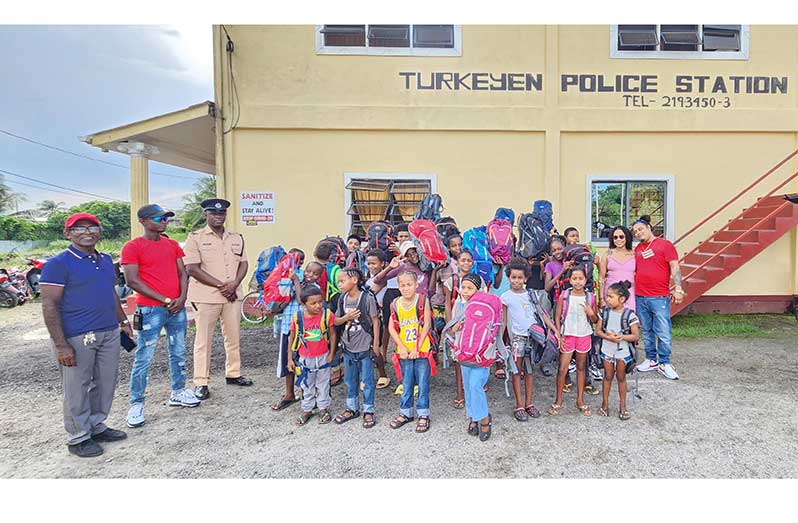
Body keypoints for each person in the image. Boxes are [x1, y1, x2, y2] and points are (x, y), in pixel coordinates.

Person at [40, 212, 132, 457]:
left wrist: (122, 321)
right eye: (79, 228)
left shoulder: (104, 260)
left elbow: (110, 293)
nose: (87, 232)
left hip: (108, 331)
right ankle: (78, 437)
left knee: (105, 382)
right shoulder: (58, 264)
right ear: (67, 233)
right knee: (77, 387)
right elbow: (49, 305)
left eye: (93, 227)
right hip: (77, 335)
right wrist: (61, 344)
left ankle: (97, 425)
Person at [121, 204, 200, 428]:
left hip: (176, 308)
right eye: (159, 218)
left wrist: (182, 298)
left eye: (166, 218)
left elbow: (182, 273)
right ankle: (136, 404)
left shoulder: (172, 245)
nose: (164, 221)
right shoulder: (132, 247)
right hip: (150, 310)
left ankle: (178, 391)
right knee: (144, 356)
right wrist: (166, 300)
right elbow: (132, 280)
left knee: (178, 351)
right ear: (144, 221)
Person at [183, 198, 252, 401]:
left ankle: (233, 373)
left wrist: (234, 284)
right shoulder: (195, 238)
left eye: (221, 214)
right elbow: (192, 268)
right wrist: (222, 286)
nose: (218, 216)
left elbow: (244, 264)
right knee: (203, 340)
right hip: (206, 296)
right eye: (213, 213)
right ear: (206, 215)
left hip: (232, 295)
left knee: (233, 337)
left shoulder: (236, 237)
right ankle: (201, 381)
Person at [501, 257, 558, 422]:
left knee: (530, 371)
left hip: (533, 338)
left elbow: (542, 315)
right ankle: (519, 404)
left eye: (520, 277)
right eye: (513, 277)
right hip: (517, 339)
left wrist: (555, 331)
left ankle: (529, 403)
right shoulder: (505, 297)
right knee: (516, 370)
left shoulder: (531, 295)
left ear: (526, 277)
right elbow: (504, 322)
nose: (517, 281)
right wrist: (499, 342)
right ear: (509, 278)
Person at [631, 214, 683, 380]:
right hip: (640, 295)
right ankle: (651, 359)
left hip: (659, 296)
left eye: (640, 229)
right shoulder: (638, 249)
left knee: (663, 330)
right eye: (634, 232)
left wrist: (678, 287)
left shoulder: (664, 245)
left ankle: (665, 362)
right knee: (646, 330)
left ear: (649, 228)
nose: (637, 233)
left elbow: (675, 267)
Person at [270, 255, 324, 412]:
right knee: (289, 362)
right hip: (288, 327)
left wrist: (295, 281)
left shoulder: (314, 288)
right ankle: (289, 394)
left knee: (304, 364)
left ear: (319, 277)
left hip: (306, 331)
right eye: (308, 271)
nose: (309, 275)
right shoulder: (297, 281)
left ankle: (307, 396)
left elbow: (302, 300)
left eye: (314, 274)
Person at [448, 272, 493, 441]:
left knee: (476, 385)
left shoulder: (486, 306)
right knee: (467, 385)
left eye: (470, 288)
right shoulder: (459, 305)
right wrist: (460, 323)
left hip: (481, 352)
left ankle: (485, 419)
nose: (465, 291)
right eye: (463, 287)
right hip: (464, 351)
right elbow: (452, 330)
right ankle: (474, 416)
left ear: (478, 290)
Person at [333, 268, 380, 428]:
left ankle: (369, 410)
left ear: (354, 280)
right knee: (350, 380)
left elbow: (375, 321)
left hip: (365, 346)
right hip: (348, 346)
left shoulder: (367, 298)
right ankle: (352, 408)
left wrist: (375, 344)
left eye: (342, 281)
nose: (339, 284)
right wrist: (347, 317)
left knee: (367, 380)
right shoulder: (342, 299)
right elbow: (336, 321)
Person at [388, 271, 434, 433]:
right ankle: (405, 412)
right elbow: (391, 328)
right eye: (402, 285)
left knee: (422, 382)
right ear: (398, 286)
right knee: (406, 382)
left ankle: (423, 413)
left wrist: (417, 346)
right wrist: (400, 346)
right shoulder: (395, 304)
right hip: (404, 351)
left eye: (409, 285)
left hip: (421, 349)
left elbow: (426, 324)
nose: (406, 288)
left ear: (416, 285)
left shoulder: (422, 300)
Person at [549, 267, 598, 416]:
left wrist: (591, 313)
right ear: (570, 280)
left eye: (580, 279)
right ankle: (558, 400)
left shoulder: (590, 297)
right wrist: (559, 334)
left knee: (581, 367)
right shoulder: (564, 296)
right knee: (563, 368)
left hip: (584, 335)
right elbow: (557, 316)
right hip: (568, 335)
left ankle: (580, 400)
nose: (577, 282)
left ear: (585, 280)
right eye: (574, 278)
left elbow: (595, 320)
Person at [288, 286, 337, 425]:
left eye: (320, 302)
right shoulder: (297, 318)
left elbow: (333, 334)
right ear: (303, 304)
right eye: (313, 303)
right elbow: (291, 338)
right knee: (306, 385)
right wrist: (290, 359)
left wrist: (331, 353)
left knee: (323, 384)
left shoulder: (327, 315)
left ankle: (323, 408)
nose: (318, 306)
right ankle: (307, 409)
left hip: (323, 356)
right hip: (305, 359)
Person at [443, 249, 485, 407]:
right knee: (458, 360)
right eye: (463, 260)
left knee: (475, 357)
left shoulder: (479, 280)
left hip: (475, 327)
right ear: (457, 262)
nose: (466, 263)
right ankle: (460, 393)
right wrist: (450, 324)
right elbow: (447, 304)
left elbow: (484, 303)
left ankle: (476, 387)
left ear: (473, 263)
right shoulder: (451, 281)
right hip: (458, 325)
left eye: (469, 260)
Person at [595, 281, 640, 420]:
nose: (607, 299)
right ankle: (605, 404)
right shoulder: (604, 313)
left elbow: (635, 336)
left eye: (610, 297)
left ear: (622, 299)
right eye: (607, 296)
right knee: (607, 377)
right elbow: (598, 331)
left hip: (623, 353)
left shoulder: (630, 315)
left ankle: (623, 405)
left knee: (621, 377)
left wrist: (621, 337)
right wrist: (608, 336)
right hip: (607, 351)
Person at [314, 240, 344, 386]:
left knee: (321, 337)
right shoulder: (336, 269)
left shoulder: (312, 268)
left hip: (315, 309)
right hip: (333, 307)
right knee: (335, 337)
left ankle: (320, 368)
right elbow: (342, 288)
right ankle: (336, 369)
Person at [365, 248, 391, 389]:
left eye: (374, 263)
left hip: (379, 317)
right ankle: (369, 375)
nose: (371, 266)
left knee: (375, 347)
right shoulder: (368, 280)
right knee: (368, 348)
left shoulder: (384, 279)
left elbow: (372, 291)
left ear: (383, 263)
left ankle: (383, 374)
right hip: (368, 318)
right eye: (369, 264)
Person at [599, 225, 636, 310]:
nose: (618, 239)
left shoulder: (634, 254)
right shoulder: (607, 254)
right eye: (615, 237)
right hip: (611, 294)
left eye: (621, 237)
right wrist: (601, 299)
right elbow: (601, 278)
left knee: (628, 320)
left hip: (629, 293)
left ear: (627, 237)